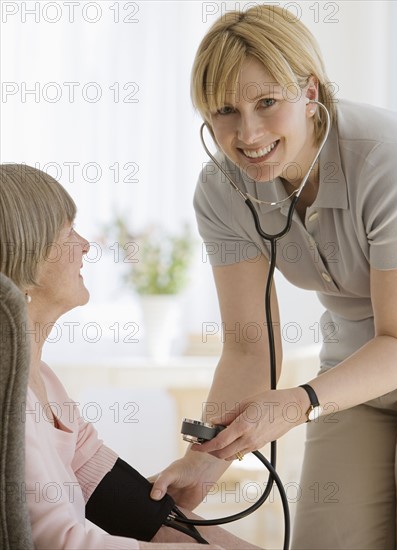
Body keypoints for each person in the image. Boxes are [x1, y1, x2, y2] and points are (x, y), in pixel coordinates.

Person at [150, 6, 397, 549]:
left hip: (395, 350)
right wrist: (204, 461)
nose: (248, 133)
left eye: (266, 102)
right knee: (328, 538)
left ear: (310, 92)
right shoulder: (223, 188)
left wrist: (298, 401)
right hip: (351, 375)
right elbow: (250, 348)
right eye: (224, 111)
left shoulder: (389, 159)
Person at [0, 163, 261, 550]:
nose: (86, 244)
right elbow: (58, 542)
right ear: (28, 255)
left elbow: (110, 490)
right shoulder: (11, 399)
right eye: (68, 231)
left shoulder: (43, 380)